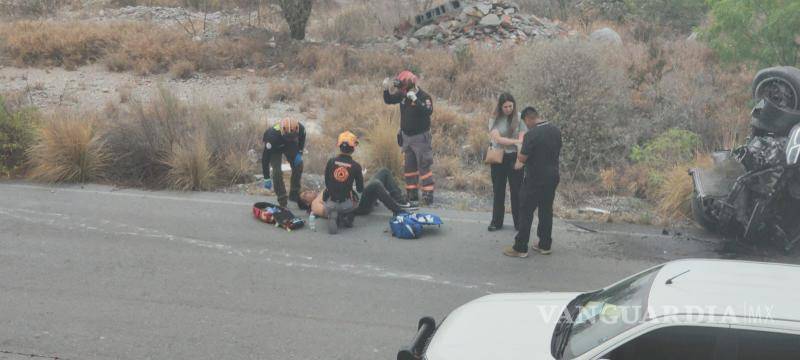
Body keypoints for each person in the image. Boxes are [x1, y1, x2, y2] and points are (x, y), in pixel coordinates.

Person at [504, 106, 562, 258]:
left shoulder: (532, 134)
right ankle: (545, 244)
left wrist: (520, 149)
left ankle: (520, 247)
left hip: (535, 178)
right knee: (546, 210)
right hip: (553, 176)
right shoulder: (556, 130)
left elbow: (522, 158)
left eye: (525, 123)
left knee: (525, 211)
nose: (526, 126)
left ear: (528, 119)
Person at [382, 70, 435, 206]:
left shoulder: (424, 97)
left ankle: (428, 194)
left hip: (420, 138)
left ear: (410, 85)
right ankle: (412, 194)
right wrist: (386, 90)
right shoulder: (403, 95)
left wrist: (416, 100)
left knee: (424, 166)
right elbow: (389, 100)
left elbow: (428, 111)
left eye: (403, 88)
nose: (401, 91)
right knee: (409, 167)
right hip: (407, 138)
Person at [298, 167, 417, 219]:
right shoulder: (314, 204)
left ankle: (401, 202)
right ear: (307, 203)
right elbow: (327, 212)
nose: (308, 191)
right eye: (305, 194)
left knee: (384, 172)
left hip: (358, 193)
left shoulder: (322, 192)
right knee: (376, 184)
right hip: (358, 204)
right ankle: (399, 212)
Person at [487, 92, 527, 232]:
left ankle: (519, 223)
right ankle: (496, 222)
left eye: (511, 106)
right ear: (500, 106)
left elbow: (522, 139)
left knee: (517, 191)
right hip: (498, 157)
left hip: (514, 157)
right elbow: (498, 139)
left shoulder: (520, 117)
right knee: (498, 190)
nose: (508, 109)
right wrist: (515, 142)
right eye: (505, 107)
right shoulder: (494, 119)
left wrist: (519, 157)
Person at [322, 131, 364, 234]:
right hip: (346, 205)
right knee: (356, 197)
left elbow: (327, 181)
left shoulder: (331, 162)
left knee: (327, 192)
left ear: (339, 146)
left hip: (330, 203)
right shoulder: (356, 166)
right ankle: (348, 218)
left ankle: (334, 215)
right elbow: (360, 188)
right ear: (353, 148)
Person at [261, 118, 305, 207]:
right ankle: (282, 199)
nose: (289, 138)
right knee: (277, 172)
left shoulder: (300, 128)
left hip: (290, 145)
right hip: (275, 147)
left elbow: (302, 139)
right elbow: (265, 158)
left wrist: (299, 152)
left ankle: (294, 193)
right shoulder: (271, 137)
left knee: (299, 165)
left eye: (292, 136)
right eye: (288, 136)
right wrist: (266, 177)